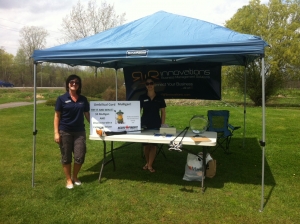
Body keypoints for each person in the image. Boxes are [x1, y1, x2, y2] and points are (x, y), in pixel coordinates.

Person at [54, 74, 90, 189]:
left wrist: (97, 127)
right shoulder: (61, 99)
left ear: (79, 85)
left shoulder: (83, 99)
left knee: (80, 156)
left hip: (80, 132)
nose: (74, 84)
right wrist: (56, 132)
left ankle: (75, 176)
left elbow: (87, 115)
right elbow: (57, 116)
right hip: (65, 131)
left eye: (77, 82)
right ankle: (68, 179)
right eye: (71, 82)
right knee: (66, 156)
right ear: (68, 84)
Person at [139, 77, 166, 173]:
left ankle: (149, 165)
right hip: (144, 124)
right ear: (145, 85)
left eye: (151, 83)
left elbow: (163, 112)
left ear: (154, 84)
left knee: (153, 145)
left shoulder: (160, 97)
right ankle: (148, 162)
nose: (149, 85)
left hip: (156, 124)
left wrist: (162, 125)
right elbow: (138, 111)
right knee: (146, 145)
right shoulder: (142, 97)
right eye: (147, 83)